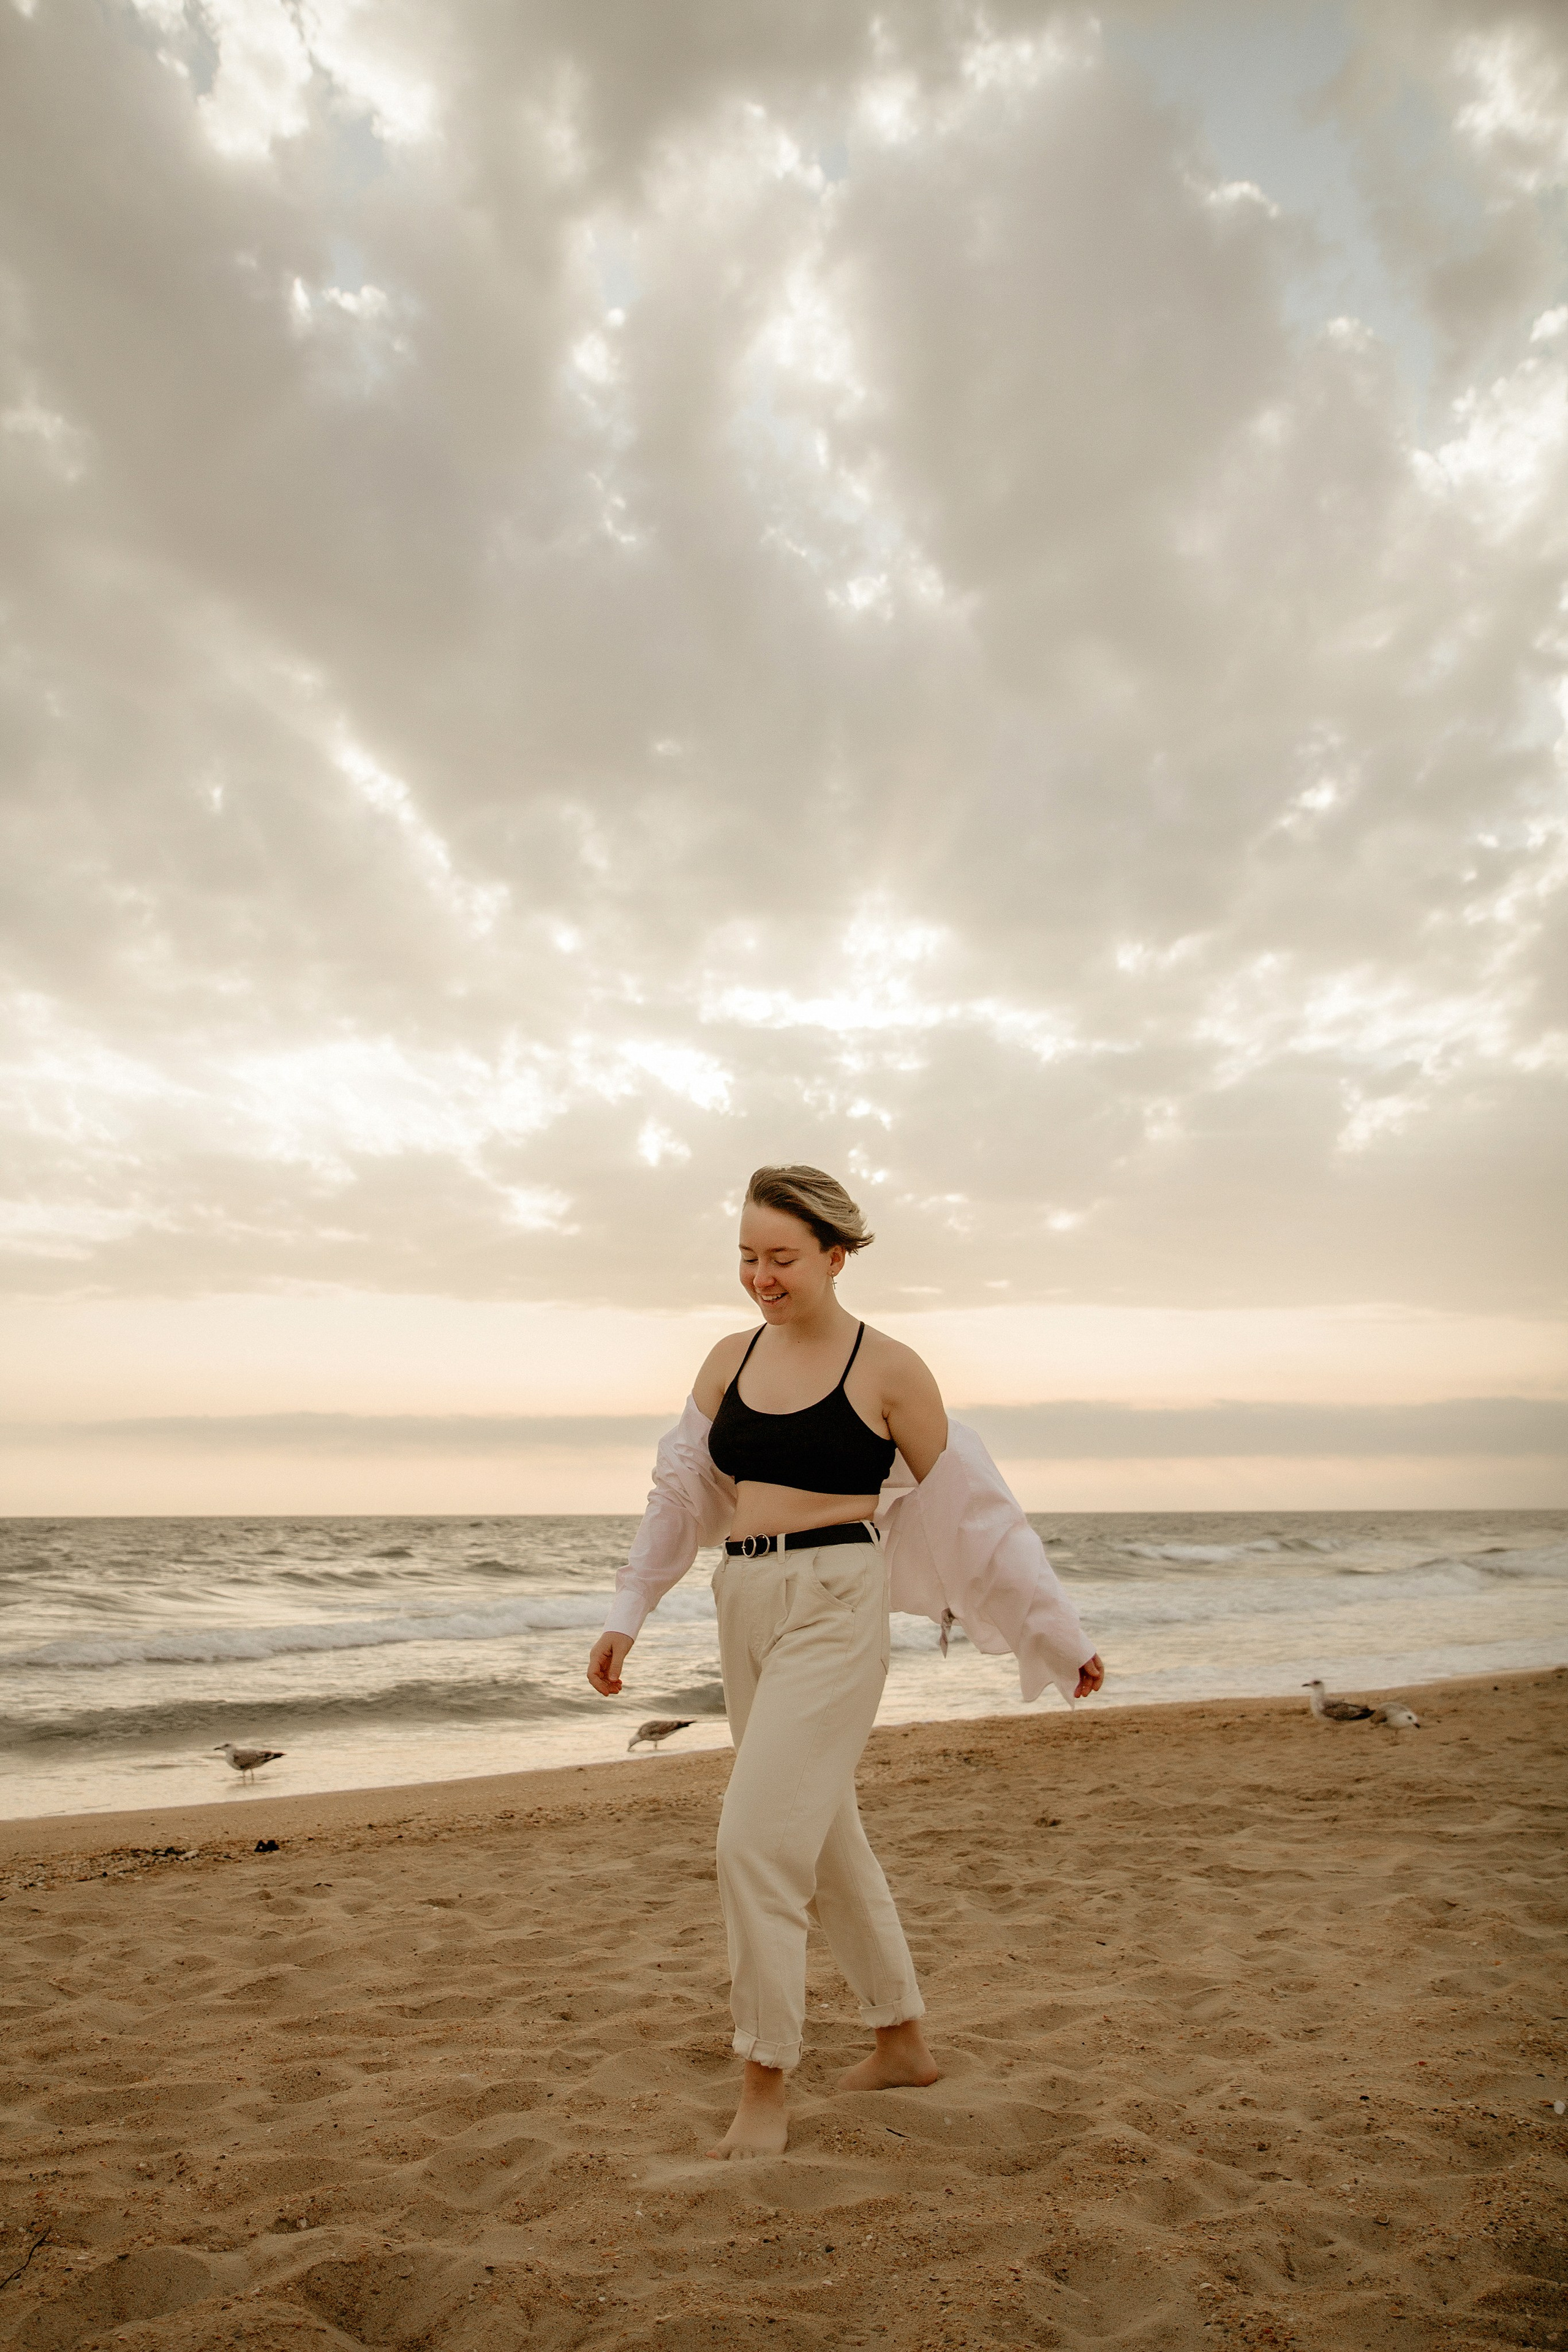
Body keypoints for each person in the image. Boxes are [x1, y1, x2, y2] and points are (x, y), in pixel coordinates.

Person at [587, 1164, 1103, 2159]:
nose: (760, 1277)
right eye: (746, 1256)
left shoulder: (891, 1370)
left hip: (835, 1603)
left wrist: (1056, 1632)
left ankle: (766, 2080)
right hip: (741, 1599)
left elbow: (978, 1514)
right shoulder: (725, 1360)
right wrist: (628, 1611)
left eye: (781, 1258)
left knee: (754, 1842)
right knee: (819, 1835)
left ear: (834, 1255)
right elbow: (679, 1494)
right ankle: (901, 2038)